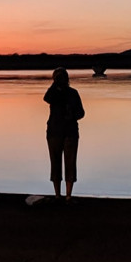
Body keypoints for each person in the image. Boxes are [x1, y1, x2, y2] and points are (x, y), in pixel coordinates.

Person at [43, 67, 85, 202]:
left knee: (70, 163)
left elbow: (81, 113)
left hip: (70, 132)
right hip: (54, 132)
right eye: (57, 77)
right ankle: (57, 194)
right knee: (55, 163)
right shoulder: (53, 93)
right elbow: (46, 98)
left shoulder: (73, 93)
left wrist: (72, 115)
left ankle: (68, 195)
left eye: (61, 77)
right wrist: (55, 84)